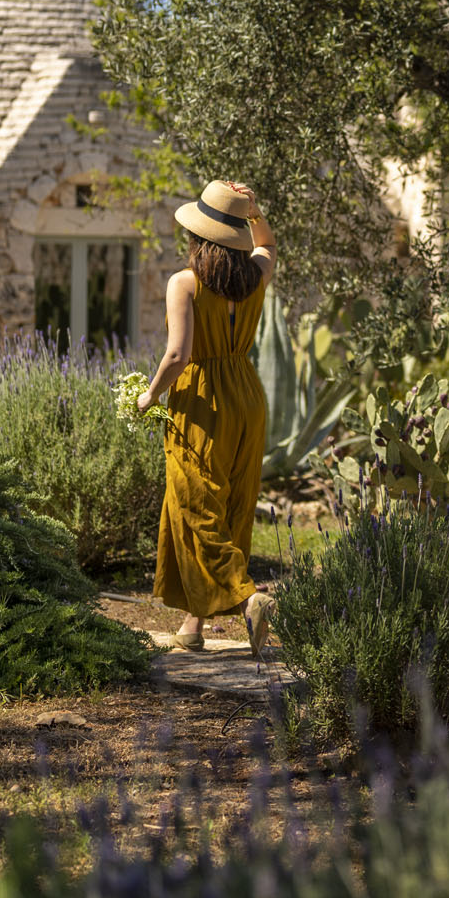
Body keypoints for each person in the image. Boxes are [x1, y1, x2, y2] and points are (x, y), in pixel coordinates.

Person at [135, 179, 278, 656]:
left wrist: (150, 396)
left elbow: (178, 354)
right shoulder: (257, 273)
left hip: (202, 399)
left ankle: (247, 599)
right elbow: (269, 244)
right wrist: (252, 209)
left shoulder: (185, 282)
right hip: (247, 394)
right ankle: (192, 624)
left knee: (194, 506)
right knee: (230, 504)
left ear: (198, 236)